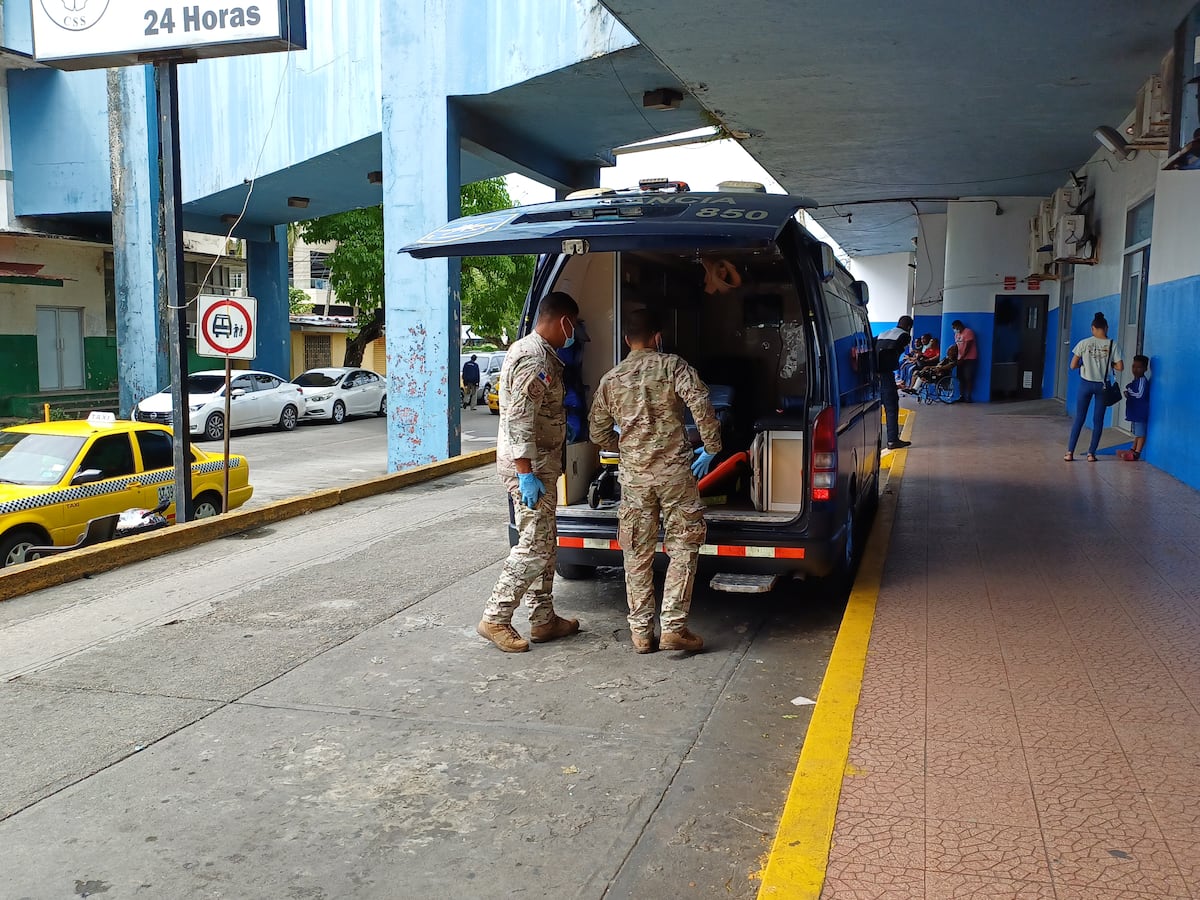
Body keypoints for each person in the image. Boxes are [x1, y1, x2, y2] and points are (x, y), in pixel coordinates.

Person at [589, 309, 721, 654]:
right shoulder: (674, 366)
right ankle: (675, 627)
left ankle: (641, 633)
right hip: (676, 474)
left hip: (634, 480)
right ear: (657, 336)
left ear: (625, 339)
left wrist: (626, 447)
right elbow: (700, 401)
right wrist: (711, 446)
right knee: (682, 548)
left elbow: (597, 430)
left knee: (636, 552)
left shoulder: (611, 378)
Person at [477, 292, 582, 653]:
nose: (574, 334)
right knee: (533, 548)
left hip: (540, 464)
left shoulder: (541, 354)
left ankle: (544, 620)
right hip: (530, 467)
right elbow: (520, 417)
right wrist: (525, 472)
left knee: (545, 545)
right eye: (573, 326)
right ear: (562, 321)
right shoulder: (533, 356)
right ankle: (496, 617)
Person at [1065, 312, 1124, 462]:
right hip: (1102, 386)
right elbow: (1120, 367)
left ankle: (1070, 452)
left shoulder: (1084, 343)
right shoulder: (1112, 344)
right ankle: (1091, 453)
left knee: (1079, 418)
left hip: (1085, 384)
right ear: (1106, 328)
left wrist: (1083, 363)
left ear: (1093, 328)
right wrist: (1107, 363)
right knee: (1098, 421)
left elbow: (1072, 366)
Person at [876, 315, 913, 450]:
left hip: (875, 373)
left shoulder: (883, 333)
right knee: (891, 406)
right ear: (909, 327)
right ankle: (892, 440)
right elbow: (895, 350)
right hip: (886, 374)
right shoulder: (904, 336)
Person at [1118, 354, 1150, 461]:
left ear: (1145, 369)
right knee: (1137, 433)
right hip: (1136, 412)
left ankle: (1137, 453)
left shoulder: (1142, 381)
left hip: (1140, 413)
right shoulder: (1136, 380)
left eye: (1139, 367)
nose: (1135, 369)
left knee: (1140, 433)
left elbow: (1139, 394)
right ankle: (1132, 449)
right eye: (1133, 366)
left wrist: (1129, 391)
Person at [951, 320, 979, 402]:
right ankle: (961, 396)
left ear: (959, 326)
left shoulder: (968, 332)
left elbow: (968, 346)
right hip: (960, 359)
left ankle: (969, 396)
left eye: (955, 328)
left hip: (969, 358)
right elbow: (957, 346)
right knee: (960, 378)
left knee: (968, 377)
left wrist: (963, 357)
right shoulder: (956, 334)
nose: (954, 330)